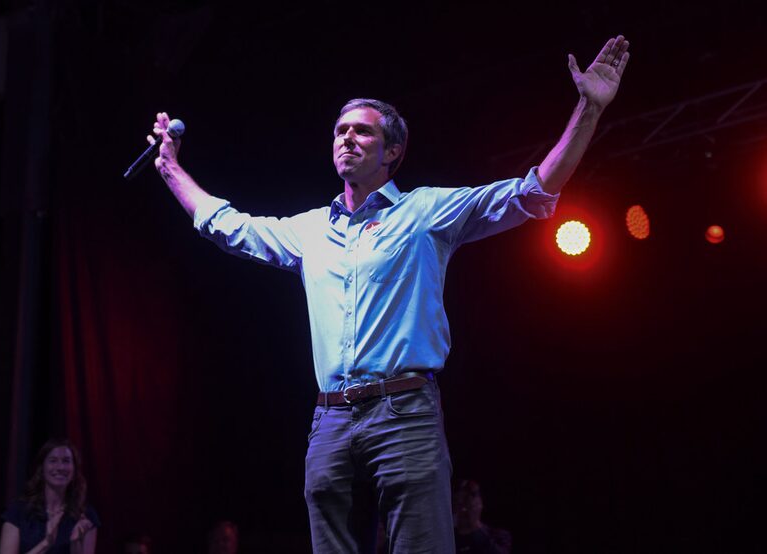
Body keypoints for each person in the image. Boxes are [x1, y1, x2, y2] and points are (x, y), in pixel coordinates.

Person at [149, 35, 629, 553]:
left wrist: (588, 109)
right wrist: (172, 169)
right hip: (330, 418)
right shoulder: (311, 231)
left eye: (362, 131)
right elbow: (230, 227)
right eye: (340, 131)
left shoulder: (423, 212)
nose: (347, 139)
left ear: (393, 151)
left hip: (404, 411)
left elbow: (531, 192)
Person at [0, 439, 99, 554]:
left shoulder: (85, 516)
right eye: (53, 460)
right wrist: (46, 543)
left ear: (74, 470)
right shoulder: (18, 511)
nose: (60, 467)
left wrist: (75, 543)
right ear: (42, 468)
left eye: (66, 461)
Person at [452, 479, 511, 554]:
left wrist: (475, 526)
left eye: (468, 501)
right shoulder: (448, 538)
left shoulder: (498, 536)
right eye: (460, 503)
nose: (464, 508)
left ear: (481, 504)